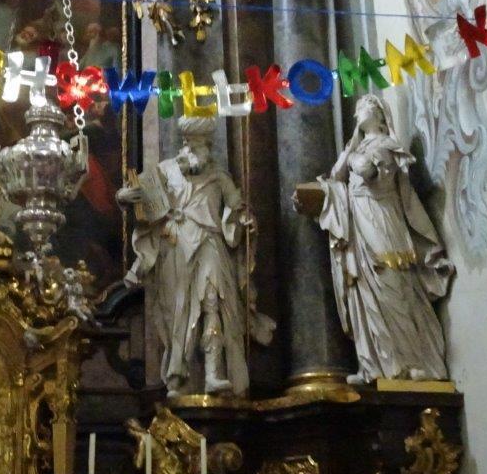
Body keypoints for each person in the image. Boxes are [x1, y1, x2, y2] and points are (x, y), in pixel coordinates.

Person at [117, 117, 274, 397]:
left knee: (213, 302)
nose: (191, 150)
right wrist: (125, 196)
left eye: (198, 145)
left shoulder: (219, 176)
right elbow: (134, 192)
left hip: (210, 243)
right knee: (179, 312)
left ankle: (214, 374)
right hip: (175, 245)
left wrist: (245, 219)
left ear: (208, 147)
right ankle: (177, 378)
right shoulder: (166, 171)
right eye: (189, 143)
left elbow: (237, 207)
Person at [313, 93, 455, 384]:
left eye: (366, 106)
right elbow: (336, 175)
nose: (359, 110)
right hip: (359, 223)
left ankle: (412, 361)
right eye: (358, 107)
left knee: (391, 283)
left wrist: (353, 155)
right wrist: (351, 147)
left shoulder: (386, 145)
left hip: (381, 218)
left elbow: (367, 171)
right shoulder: (358, 146)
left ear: (380, 115)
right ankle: (377, 365)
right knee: (365, 289)